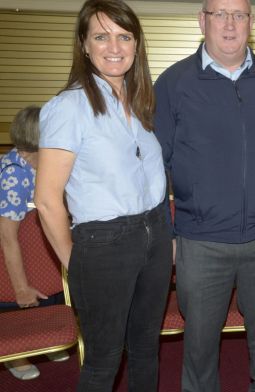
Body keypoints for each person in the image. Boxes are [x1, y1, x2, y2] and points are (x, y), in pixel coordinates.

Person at [153, 0, 255, 390]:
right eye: (220, 14)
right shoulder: (173, 84)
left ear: (251, 22)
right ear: (203, 21)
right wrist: (168, 233)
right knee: (199, 345)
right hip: (200, 243)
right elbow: (152, 167)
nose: (230, 24)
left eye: (239, 15)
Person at [35, 0, 171, 390]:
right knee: (104, 360)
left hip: (155, 234)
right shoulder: (69, 107)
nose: (114, 46)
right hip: (104, 244)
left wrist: (162, 236)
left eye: (124, 36)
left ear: (136, 44)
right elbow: (47, 200)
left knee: (146, 348)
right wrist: (76, 263)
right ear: (84, 44)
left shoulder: (140, 103)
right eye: (101, 36)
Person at [0, 106, 70, 380]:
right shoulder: (14, 175)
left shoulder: (43, 163)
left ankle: (46, 340)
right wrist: (19, 287)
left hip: (38, 247)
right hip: (11, 253)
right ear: (32, 148)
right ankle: (16, 355)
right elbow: (7, 238)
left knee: (49, 289)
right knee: (19, 302)